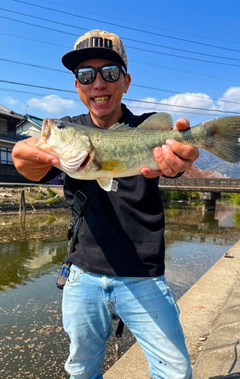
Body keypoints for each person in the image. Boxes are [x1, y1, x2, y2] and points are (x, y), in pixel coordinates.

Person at [12, 29, 199, 379]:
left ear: (125, 82)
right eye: (86, 75)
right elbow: (30, 158)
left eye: (109, 73)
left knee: (175, 371)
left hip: (144, 275)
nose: (98, 83)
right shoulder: (69, 131)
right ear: (78, 86)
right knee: (81, 370)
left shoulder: (147, 129)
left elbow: (177, 159)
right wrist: (26, 160)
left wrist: (183, 159)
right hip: (82, 274)